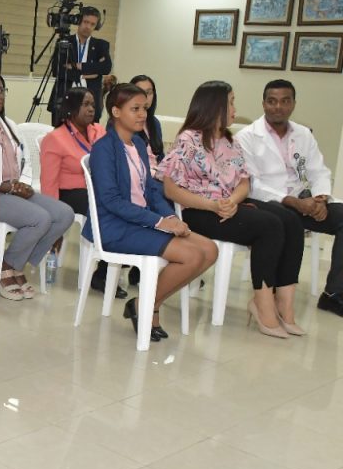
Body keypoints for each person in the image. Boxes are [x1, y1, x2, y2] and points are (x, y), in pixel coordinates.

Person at [158, 80, 305, 338]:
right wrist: (213, 205)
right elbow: (171, 190)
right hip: (199, 210)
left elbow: (244, 182)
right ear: (215, 106)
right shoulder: (188, 139)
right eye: (231, 102)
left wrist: (232, 202)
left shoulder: (230, 140)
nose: (235, 108)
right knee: (268, 226)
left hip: (228, 204)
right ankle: (262, 303)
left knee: (291, 220)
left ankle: (285, 303)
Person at [87, 84, 217, 341]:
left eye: (144, 108)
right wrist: (159, 222)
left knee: (210, 250)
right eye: (134, 109)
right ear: (115, 112)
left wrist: (170, 218)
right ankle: (148, 306)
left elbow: (152, 191)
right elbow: (112, 201)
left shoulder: (137, 143)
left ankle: (145, 303)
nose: (142, 114)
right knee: (191, 256)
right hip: (114, 226)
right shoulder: (104, 149)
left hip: (141, 221)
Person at [0, 69, 74, 301]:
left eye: (0, 91)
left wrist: (23, 184)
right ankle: (7, 266)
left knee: (64, 214)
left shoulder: (8, 124)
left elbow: (24, 160)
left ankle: (17, 263)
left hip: (13, 190)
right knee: (40, 218)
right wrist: (5, 187)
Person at [237, 79, 343, 317]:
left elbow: (318, 171)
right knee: (287, 219)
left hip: (305, 201)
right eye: (272, 101)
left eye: (285, 101)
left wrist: (320, 199)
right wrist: (294, 202)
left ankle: (334, 295)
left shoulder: (303, 134)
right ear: (263, 103)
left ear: (293, 104)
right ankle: (275, 295)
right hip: (270, 203)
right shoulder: (247, 137)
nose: (278, 107)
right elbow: (253, 184)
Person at [39, 87, 125, 298]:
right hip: (71, 192)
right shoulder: (56, 138)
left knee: (126, 205)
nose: (90, 109)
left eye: (92, 105)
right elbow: (48, 183)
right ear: (71, 109)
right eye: (85, 105)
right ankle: (102, 272)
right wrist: (54, 222)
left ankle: (107, 268)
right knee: (106, 211)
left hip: (99, 188)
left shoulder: (99, 132)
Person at [49, 6, 111, 125]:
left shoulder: (101, 46)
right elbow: (57, 70)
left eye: (92, 24)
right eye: (86, 22)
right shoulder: (64, 42)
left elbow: (106, 68)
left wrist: (78, 66)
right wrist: (88, 74)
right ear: (79, 21)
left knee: (89, 140)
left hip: (91, 102)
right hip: (64, 99)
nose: (88, 27)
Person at [129, 75, 165, 164]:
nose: (145, 96)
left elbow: (160, 156)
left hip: (157, 173)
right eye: (140, 92)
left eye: (149, 92)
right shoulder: (124, 122)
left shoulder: (155, 122)